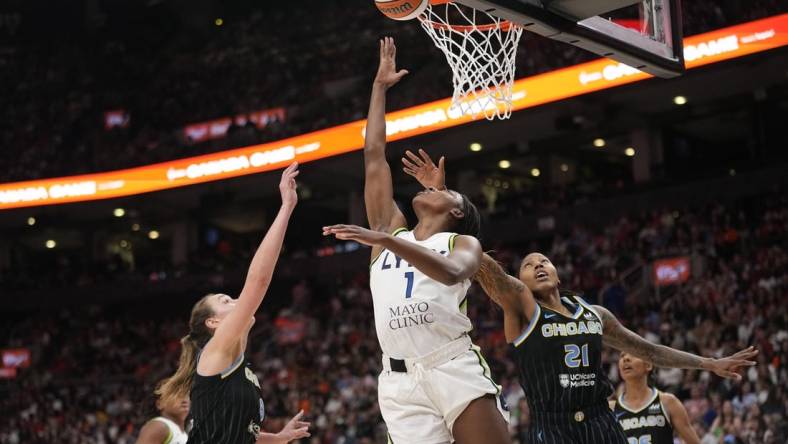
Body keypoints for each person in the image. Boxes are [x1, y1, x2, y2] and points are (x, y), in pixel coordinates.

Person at [401, 150, 758, 444]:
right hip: (554, 429)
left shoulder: (594, 314)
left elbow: (648, 350)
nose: (538, 265)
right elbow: (482, 264)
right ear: (520, 279)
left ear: (557, 273)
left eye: (544, 261)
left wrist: (708, 363)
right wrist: (444, 200)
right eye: (528, 265)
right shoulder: (522, 306)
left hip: (602, 423)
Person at [322, 38, 510, 444]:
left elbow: (448, 274)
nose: (427, 188)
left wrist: (387, 242)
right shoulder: (390, 231)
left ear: (457, 210)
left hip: (452, 364)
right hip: (399, 379)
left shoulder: (462, 244)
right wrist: (379, 88)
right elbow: (374, 155)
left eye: (446, 192)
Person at [156, 162, 310, 444]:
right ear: (213, 323)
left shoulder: (237, 366)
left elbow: (238, 432)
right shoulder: (216, 349)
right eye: (227, 301)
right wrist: (286, 207)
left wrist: (276, 439)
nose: (238, 301)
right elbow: (258, 283)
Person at [611, 352, 701, 444]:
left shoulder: (668, 402)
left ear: (648, 365)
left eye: (633, 354)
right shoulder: (610, 409)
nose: (626, 358)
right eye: (622, 355)